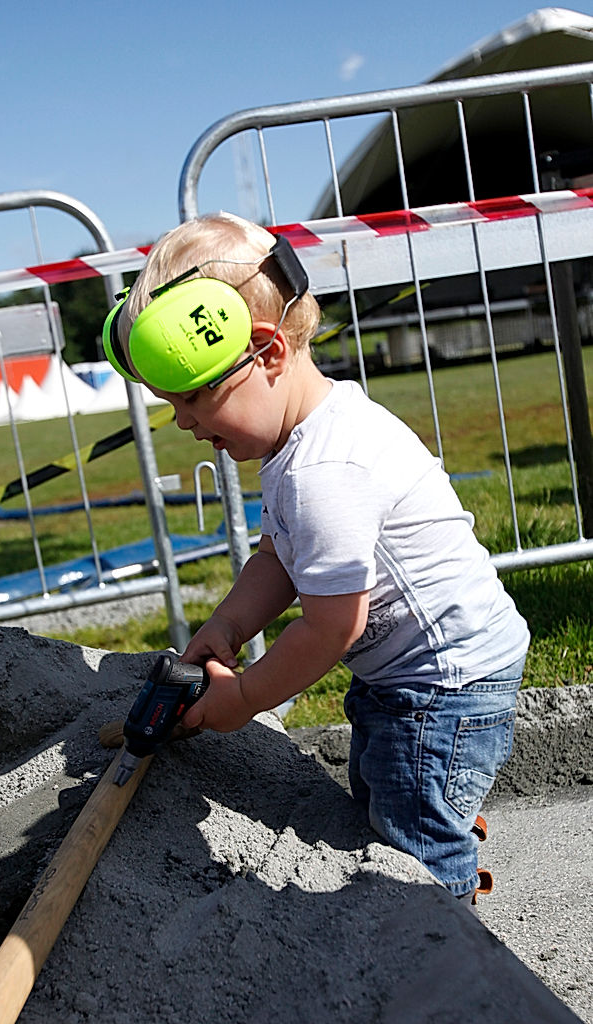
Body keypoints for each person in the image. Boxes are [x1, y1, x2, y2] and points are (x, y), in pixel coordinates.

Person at [102, 211, 530, 906]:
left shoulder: (323, 469)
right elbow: (276, 555)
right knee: (381, 784)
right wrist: (228, 628)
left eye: (191, 399)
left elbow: (330, 628)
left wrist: (241, 699)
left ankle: (444, 922)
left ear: (267, 353)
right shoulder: (297, 442)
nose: (183, 423)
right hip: (410, 670)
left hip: (443, 685)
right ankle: (445, 813)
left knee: (409, 828)